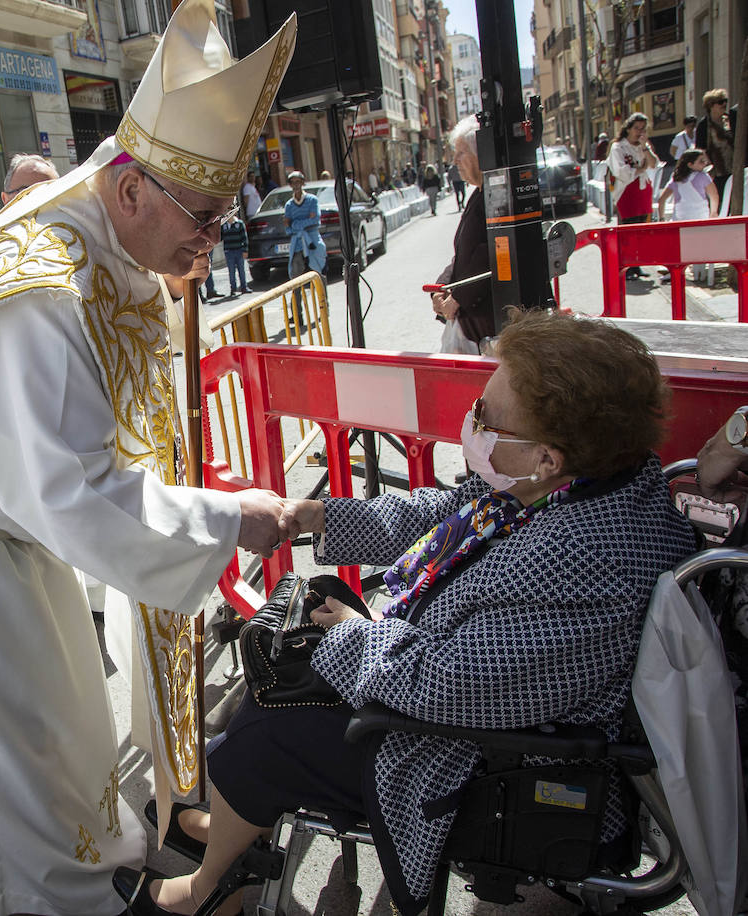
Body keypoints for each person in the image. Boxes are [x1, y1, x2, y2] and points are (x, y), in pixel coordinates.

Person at [0, 1, 298, 911]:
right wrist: (231, 518)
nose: (208, 245)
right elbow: (68, 489)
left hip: (17, 535)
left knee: (71, 740)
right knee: (18, 782)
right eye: (201, 219)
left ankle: (106, 875)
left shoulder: (108, 215)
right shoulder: (38, 285)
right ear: (129, 189)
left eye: (221, 221)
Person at [116, 311, 697, 916]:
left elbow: (446, 687)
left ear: (548, 457)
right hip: (467, 699)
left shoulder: (584, 568)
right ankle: (233, 833)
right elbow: (442, 515)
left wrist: (349, 634)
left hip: (493, 765)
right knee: (279, 663)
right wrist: (317, 517)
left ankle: (211, 890)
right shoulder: (584, 486)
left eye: (487, 418)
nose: (473, 424)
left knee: (275, 725)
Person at [432, 116, 492, 354]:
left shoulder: (494, 195)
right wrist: (442, 286)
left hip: (485, 324)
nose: (455, 160)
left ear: (481, 155)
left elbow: (490, 255)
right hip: (471, 320)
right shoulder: (478, 194)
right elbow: (463, 257)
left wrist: (457, 298)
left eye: (462, 152)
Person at [607, 113, 662, 280]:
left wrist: (645, 147)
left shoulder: (641, 146)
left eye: (643, 129)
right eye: (636, 128)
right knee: (627, 230)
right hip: (626, 192)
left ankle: (637, 265)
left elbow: (653, 164)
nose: (639, 132)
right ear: (628, 128)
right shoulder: (618, 147)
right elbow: (621, 170)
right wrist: (639, 169)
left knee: (640, 230)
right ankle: (626, 266)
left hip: (642, 190)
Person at [657, 148, 719, 222]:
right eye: (701, 161)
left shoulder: (676, 179)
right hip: (701, 217)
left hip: (679, 219)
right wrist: (713, 212)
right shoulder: (703, 176)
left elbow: (662, 200)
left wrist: (662, 218)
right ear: (690, 164)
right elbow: (714, 195)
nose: (705, 163)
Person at [695, 88, 736, 201]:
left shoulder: (730, 119)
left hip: (735, 168)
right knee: (721, 200)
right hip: (717, 172)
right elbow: (700, 149)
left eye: (725, 101)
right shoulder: (704, 125)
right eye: (720, 102)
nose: (724, 104)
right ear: (711, 105)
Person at [283, 170, 324, 278]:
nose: (296, 185)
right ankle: (297, 295)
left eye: (298, 181)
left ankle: (323, 294)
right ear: (290, 185)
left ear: (302, 183)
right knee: (295, 272)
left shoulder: (312, 200)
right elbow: (287, 226)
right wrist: (294, 227)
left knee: (319, 267)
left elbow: (315, 219)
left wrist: (295, 224)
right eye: (293, 182)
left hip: (312, 236)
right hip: (297, 240)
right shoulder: (289, 205)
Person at [221, 207, 250, 294]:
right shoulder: (224, 226)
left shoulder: (239, 224)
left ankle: (244, 287)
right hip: (228, 251)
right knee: (231, 271)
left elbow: (244, 238)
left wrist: (245, 250)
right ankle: (233, 289)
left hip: (239, 250)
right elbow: (220, 237)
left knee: (241, 269)